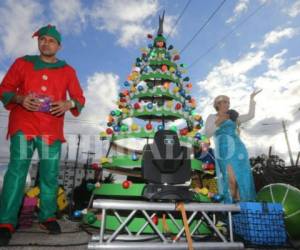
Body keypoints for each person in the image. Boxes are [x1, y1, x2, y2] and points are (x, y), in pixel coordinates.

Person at [0, 24, 85, 246]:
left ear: (59, 45)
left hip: (50, 130)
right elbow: (5, 88)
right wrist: (20, 99)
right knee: (17, 170)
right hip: (23, 124)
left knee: (49, 172)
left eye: (51, 40)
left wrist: (68, 103)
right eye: (42, 39)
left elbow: (79, 98)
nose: (46, 43)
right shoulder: (23, 63)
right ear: (39, 42)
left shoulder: (68, 71)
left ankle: (47, 216)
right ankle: (6, 222)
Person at [204, 90, 262, 203]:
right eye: (224, 102)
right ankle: (233, 207)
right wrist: (219, 121)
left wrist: (252, 99)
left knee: (243, 178)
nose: (227, 104)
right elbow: (207, 134)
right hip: (224, 151)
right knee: (231, 179)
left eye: (228, 102)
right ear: (217, 104)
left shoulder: (233, 117)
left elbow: (251, 115)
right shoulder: (212, 117)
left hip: (239, 149)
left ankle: (244, 207)